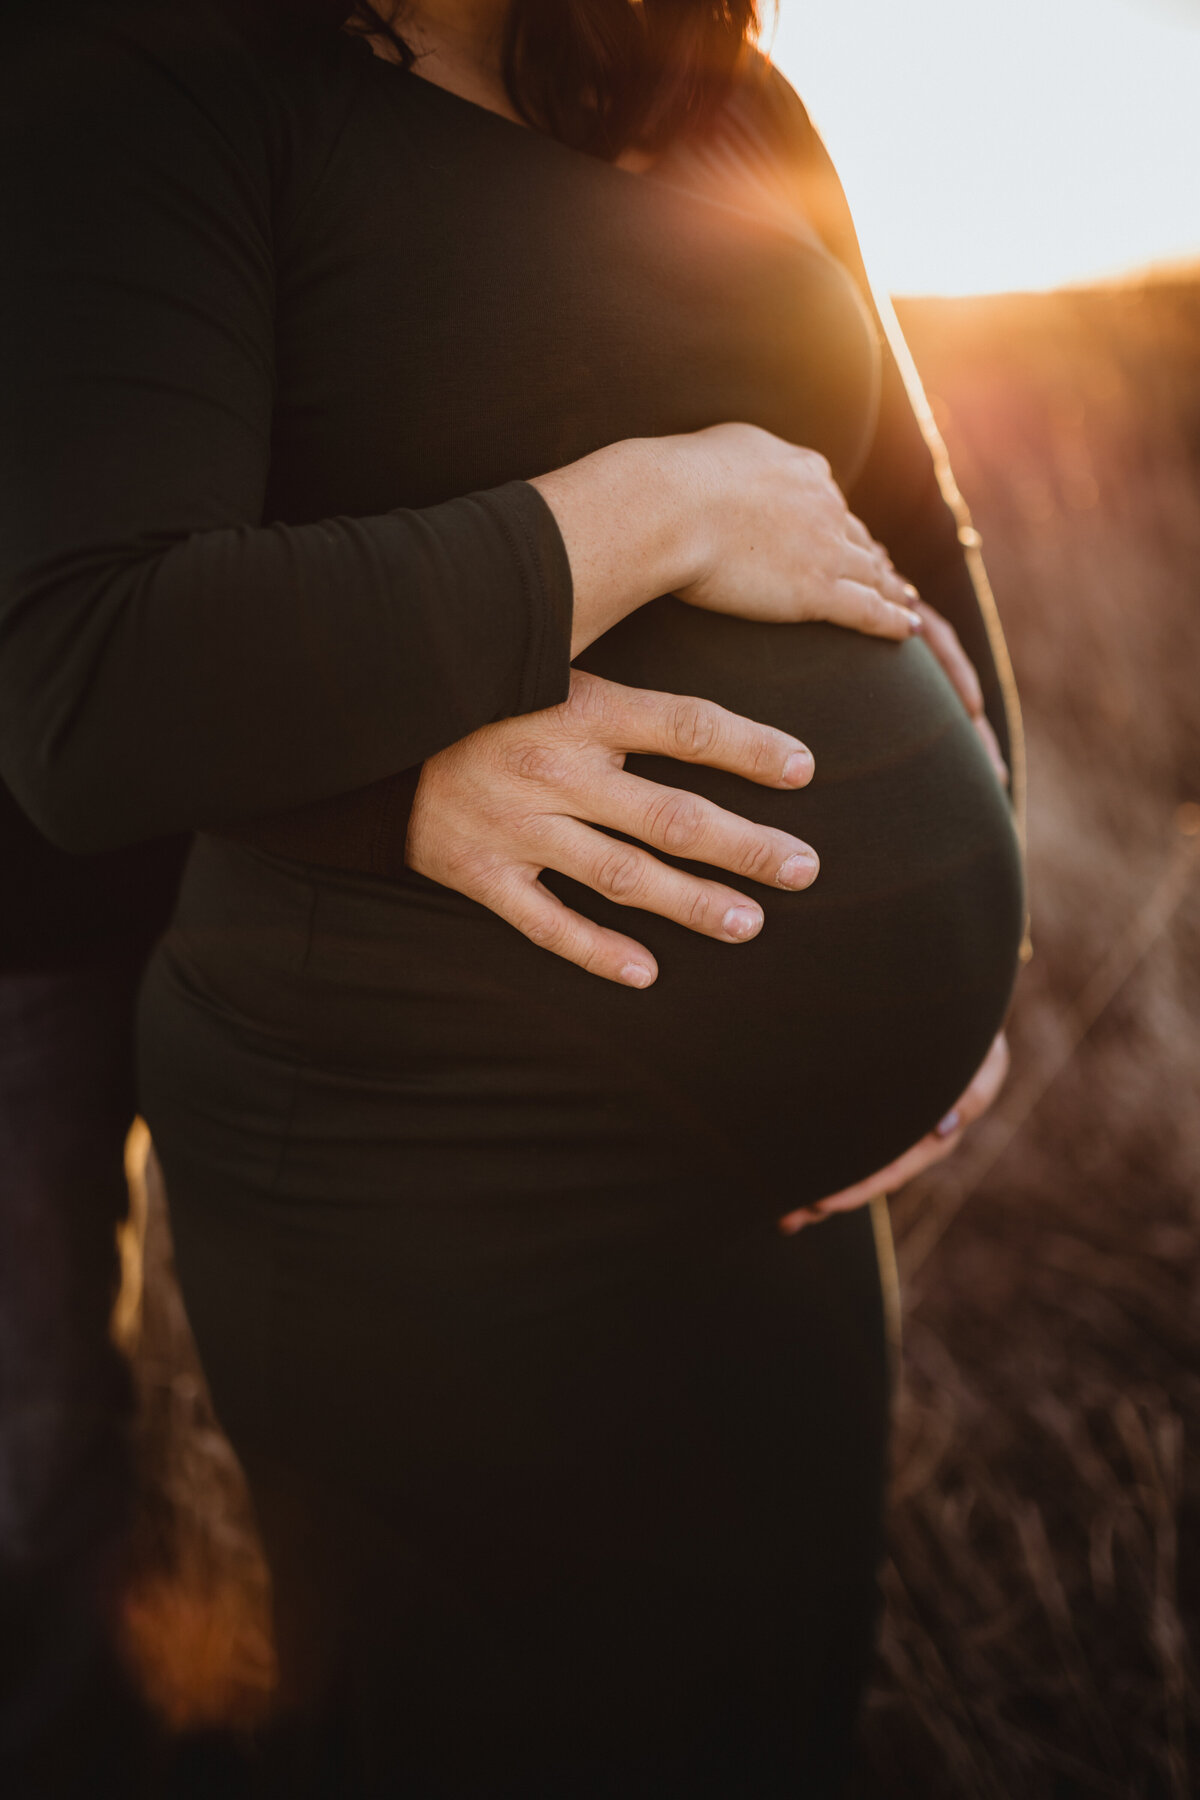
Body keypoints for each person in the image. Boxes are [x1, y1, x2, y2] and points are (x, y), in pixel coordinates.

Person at [0, 0, 1025, 1792]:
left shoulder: (726, 83)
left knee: (770, 1699)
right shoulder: (162, 68)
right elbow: (96, 674)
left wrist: (969, 897)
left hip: (778, 1179)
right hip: (419, 1139)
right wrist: (648, 507)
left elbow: (901, 512)